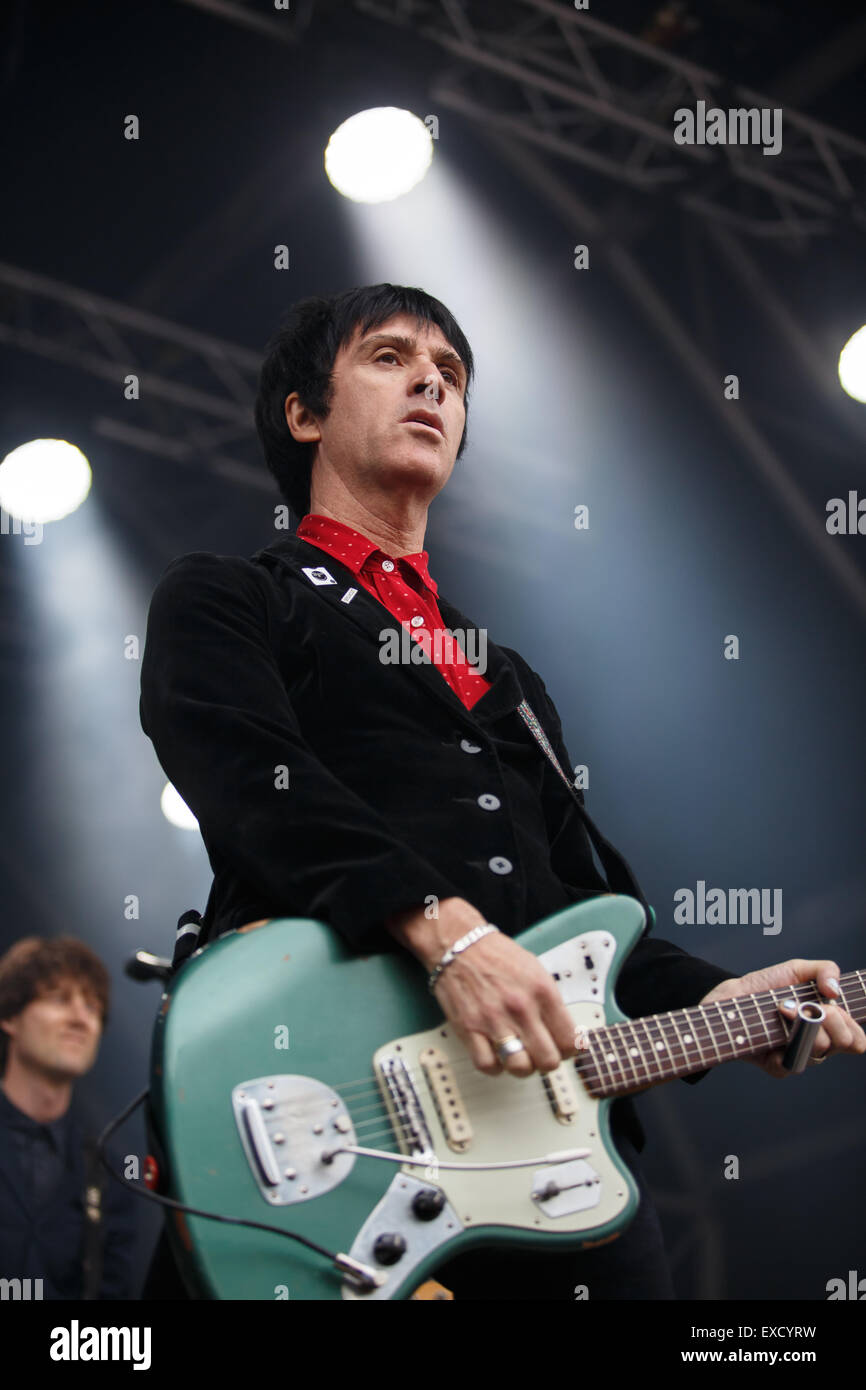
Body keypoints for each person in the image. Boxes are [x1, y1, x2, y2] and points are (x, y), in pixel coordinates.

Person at [138, 284, 865, 1299]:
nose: (430, 378)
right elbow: (244, 772)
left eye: (451, 371)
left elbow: (580, 916)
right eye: (389, 356)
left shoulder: (505, 678)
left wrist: (718, 997)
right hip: (334, 1122)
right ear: (301, 414)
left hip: (554, 1164)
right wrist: (445, 930)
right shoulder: (230, 596)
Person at [0, 936, 137, 1299]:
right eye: (60, 999)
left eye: (93, 1008)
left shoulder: (109, 1176)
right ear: (10, 1017)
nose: (80, 1018)